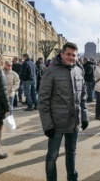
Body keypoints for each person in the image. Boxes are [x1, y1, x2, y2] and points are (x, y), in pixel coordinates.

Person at [38, 42, 89, 181]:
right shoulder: (50, 71)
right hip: (56, 124)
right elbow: (43, 101)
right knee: (52, 156)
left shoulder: (79, 71)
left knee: (71, 153)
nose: (71, 57)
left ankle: (72, 178)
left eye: (74, 55)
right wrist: (47, 125)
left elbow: (82, 96)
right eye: (68, 54)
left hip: (74, 122)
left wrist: (84, 117)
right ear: (62, 54)